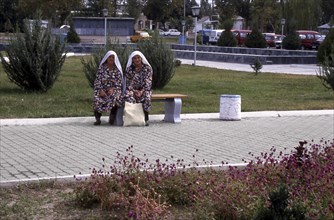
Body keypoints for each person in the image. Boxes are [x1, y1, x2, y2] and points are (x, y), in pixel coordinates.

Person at [93, 50, 123, 125]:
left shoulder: (117, 69)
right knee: (97, 98)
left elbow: (119, 82)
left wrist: (113, 89)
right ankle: (98, 118)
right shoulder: (102, 68)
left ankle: (112, 117)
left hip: (113, 89)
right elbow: (97, 80)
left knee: (115, 97)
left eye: (113, 57)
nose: (111, 59)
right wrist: (100, 90)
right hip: (102, 89)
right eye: (110, 57)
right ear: (106, 58)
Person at [124, 51, 153, 126]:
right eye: (135, 58)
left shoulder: (147, 68)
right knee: (128, 96)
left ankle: (145, 118)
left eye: (138, 58)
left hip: (144, 89)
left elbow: (148, 81)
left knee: (146, 96)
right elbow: (128, 83)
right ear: (132, 60)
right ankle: (133, 118)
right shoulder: (129, 69)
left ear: (141, 58)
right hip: (132, 90)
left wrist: (142, 91)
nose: (137, 60)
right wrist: (134, 91)